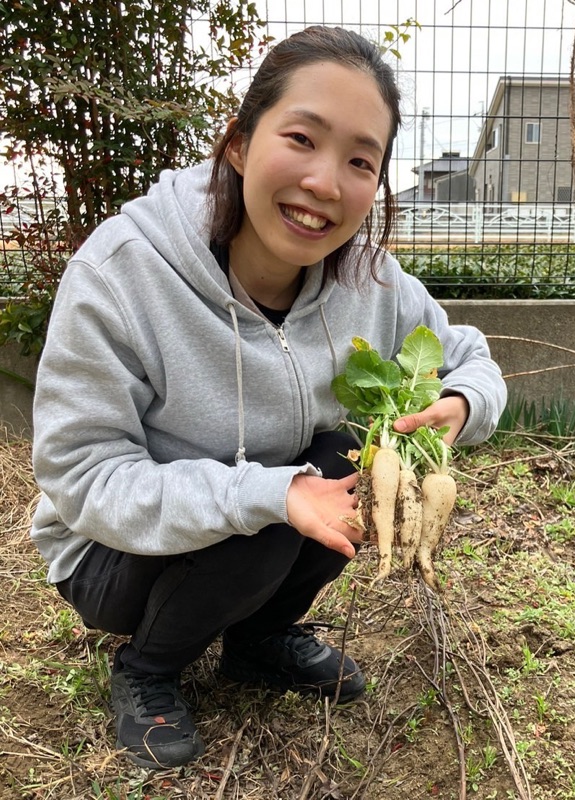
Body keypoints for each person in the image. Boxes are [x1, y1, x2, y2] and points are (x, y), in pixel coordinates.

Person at [30, 26, 507, 770]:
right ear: (240, 143)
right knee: (280, 512)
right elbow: (82, 476)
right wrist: (268, 493)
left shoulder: (370, 281)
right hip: (108, 555)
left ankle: (256, 641)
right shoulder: (123, 273)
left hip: (261, 524)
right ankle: (147, 669)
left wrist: (461, 406)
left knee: (351, 459)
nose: (324, 182)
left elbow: (470, 356)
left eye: (359, 161)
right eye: (302, 138)